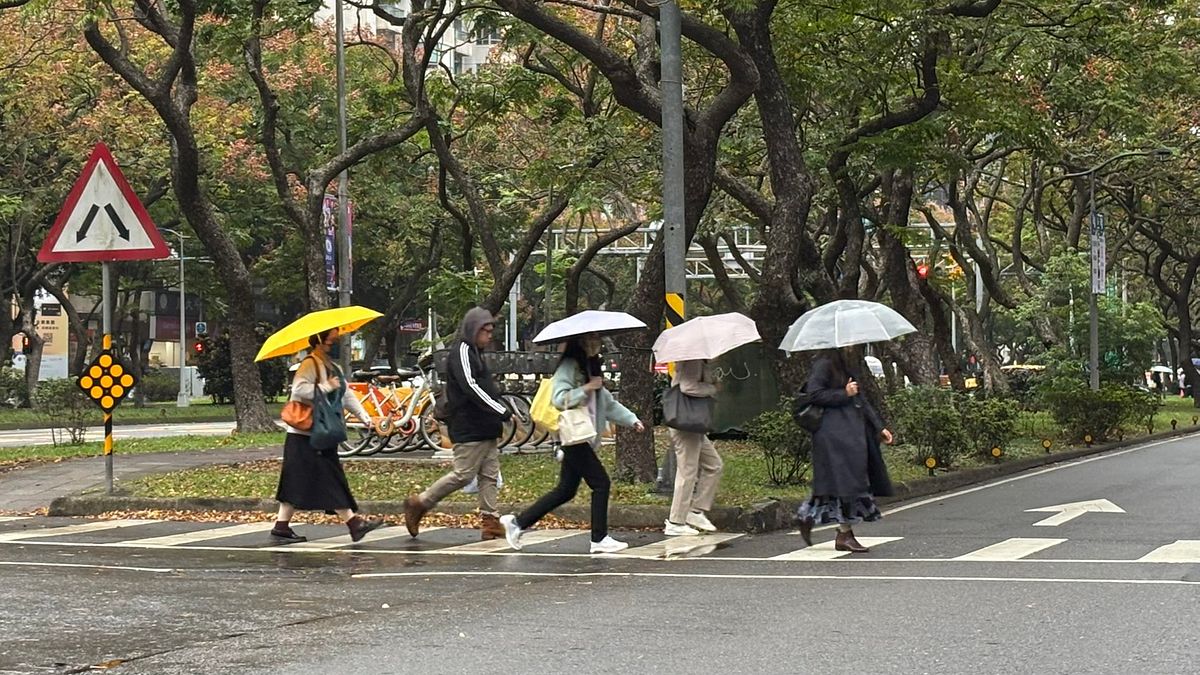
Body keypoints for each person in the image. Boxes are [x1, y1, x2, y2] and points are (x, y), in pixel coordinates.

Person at [500, 334, 646, 554]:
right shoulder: (569, 366)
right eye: (591, 340)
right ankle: (599, 538)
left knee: (566, 490)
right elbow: (559, 399)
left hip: (583, 436)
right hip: (574, 435)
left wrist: (632, 420)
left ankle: (518, 523)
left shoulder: (590, 366)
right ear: (580, 342)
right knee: (601, 483)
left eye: (598, 340)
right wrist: (586, 388)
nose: (596, 344)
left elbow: (606, 403)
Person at [404, 307, 513, 540]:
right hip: (469, 424)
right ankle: (420, 503)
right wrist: (501, 410)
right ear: (473, 330)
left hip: (485, 425)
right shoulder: (462, 352)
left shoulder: (475, 352)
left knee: (489, 475)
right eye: (485, 330)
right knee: (463, 474)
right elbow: (471, 387)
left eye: (491, 330)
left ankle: (490, 520)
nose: (489, 335)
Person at [271, 328, 383, 544]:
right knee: (329, 478)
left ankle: (281, 526)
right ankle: (354, 523)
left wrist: (364, 415)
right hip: (306, 433)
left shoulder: (333, 367)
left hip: (320, 432)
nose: (334, 344)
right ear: (319, 341)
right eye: (331, 341)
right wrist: (325, 386)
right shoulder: (309, 364)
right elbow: (299, 390)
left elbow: (346, 393)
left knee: (296, 480)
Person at [796, 348, 895, 553]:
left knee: (843, 483)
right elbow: (814, 394)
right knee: (846, 484)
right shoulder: (823, 363)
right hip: (833, 435)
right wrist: (844, 393)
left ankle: (808, 516)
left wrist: (879, 427)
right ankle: (844, 533)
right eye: (849, 342)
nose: (853, 345)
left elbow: (861, 398)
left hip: (852, 433)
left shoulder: (847, 364)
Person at [663, 359, 723, 536]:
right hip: (686, 423)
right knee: (687, 471)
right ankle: (676, 520)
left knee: (714, 465)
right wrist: (713, 389)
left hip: (692, 424)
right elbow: (688, 387)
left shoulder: (699, 360)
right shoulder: (693, 360)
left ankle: (695, 511)